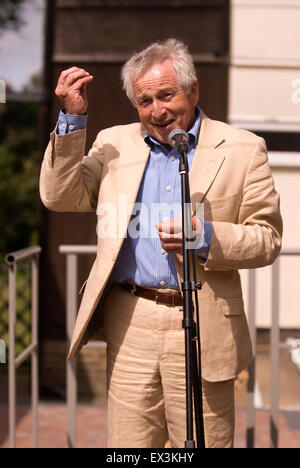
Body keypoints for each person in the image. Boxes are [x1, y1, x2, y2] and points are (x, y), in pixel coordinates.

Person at [40, 38, 283, 448]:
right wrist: (72, 119)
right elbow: (59, 196)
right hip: (129, 319)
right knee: (130, 448)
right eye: (145, 100)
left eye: (167, 95)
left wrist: (206, 236)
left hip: (203, 323)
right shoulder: (113, 142)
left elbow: (268, 238)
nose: (157, 110)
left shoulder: (243, 149)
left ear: (194, 90)